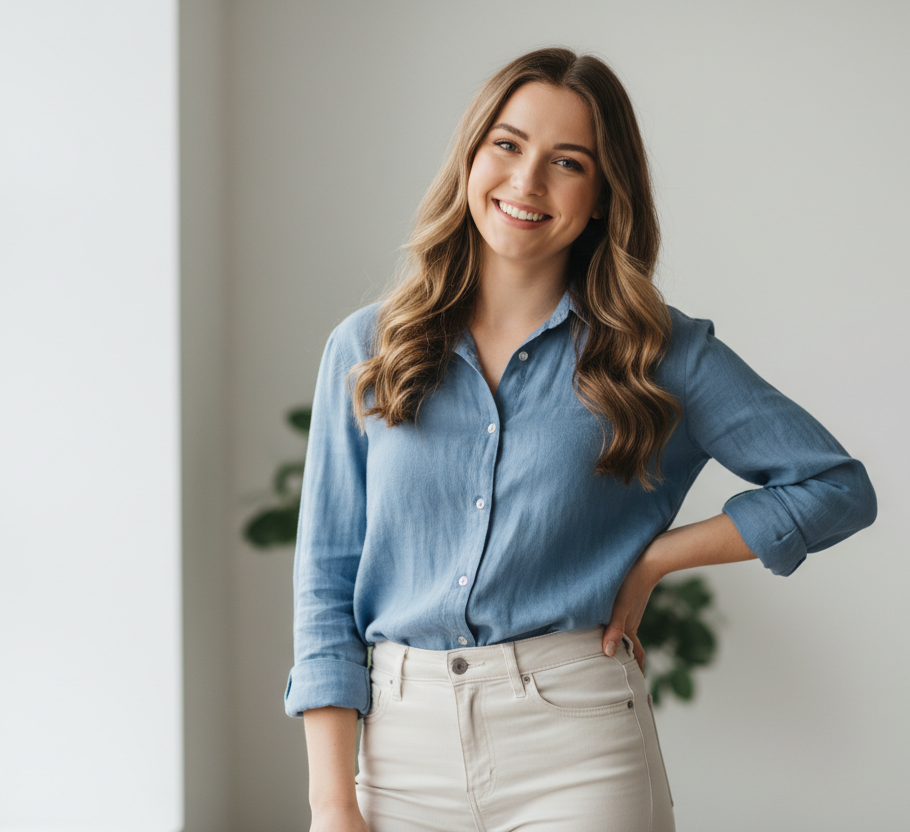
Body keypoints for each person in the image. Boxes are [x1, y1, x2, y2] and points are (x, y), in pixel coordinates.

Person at [284, 47, 878, 832]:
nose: (527, 182)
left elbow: (837, 487)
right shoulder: (366, 349)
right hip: (398, 754)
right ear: (471, 155)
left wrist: (658, 558)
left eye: (567, 162)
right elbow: (325, 583)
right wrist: (333, 803)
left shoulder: (658, 352)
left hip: (576, 747)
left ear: (601, 196)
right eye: (508, 144)